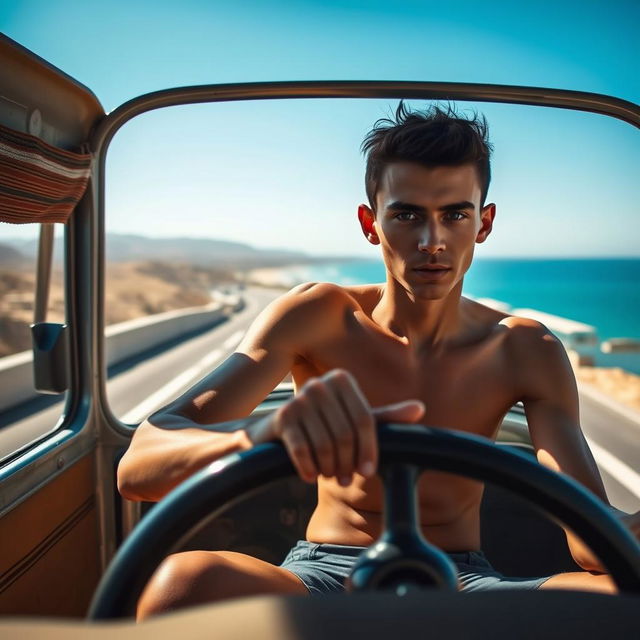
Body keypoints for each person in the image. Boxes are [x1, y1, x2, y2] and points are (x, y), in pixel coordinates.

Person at [117, 103, 640, 620]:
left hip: (465, 581)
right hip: (323, 574)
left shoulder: (525, 348)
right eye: (407, 214)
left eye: (455, 214)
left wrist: (629, 526)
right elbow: (139, 468)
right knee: (180, 585)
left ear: (484, 223)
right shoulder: (317, 315)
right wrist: (254, 436)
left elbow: (593, 541)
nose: (432, 241)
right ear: (371, 223)